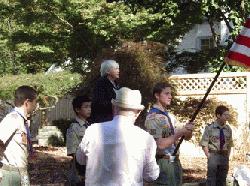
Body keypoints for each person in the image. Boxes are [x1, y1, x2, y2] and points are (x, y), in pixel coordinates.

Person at [76, 87, 160, 186]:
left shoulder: (93, 130)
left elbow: (80, 159)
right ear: (138, 112)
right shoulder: (145, 138)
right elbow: (151, 176)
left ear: (114, 107)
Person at [145, 82, 193, 186]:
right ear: (157, 95)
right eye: (166, 94)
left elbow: (186, 137)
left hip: (175, 161)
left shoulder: (169, 117)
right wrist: (180, 132)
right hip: (163, 162)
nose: (170, 96)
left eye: (170, 94)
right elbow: (160, 144)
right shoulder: (153, 117)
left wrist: (188, 130)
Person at [0, 85, 38, 186]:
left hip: (22, 172)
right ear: (27, 102)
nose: (35, 105)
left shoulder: (22, 120)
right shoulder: (12, 119)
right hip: (11, 174)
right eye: (35, 102)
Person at [200, 105, 233, 186]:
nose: (227, 117)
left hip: (224, 156)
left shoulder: (228, 129)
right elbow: (204, 144)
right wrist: (209, 156)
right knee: (211, 179)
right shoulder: (210, 128)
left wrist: (227, 156)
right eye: (225, 115)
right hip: (214, 155)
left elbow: (230, 144)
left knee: (222, 179)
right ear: (218, 115)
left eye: (228, 115)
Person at [66, 95, 91, 185]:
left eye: (90, 106)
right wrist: (79, 171)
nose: (89, 109)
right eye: (86, 107)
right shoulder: (73, 127)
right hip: (80, 167)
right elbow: (73, 152)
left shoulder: (91, 126)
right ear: (77, 109)